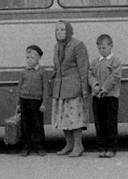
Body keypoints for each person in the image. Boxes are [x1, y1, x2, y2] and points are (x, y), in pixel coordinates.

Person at [49, 20, 90, 157]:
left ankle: (78, 146)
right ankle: (69, 144)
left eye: (62, 30)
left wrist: (84, 89)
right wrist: (52, 84)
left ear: (69, 31)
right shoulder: (57, 47)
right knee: (63, 118)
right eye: (57, 30)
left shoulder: (78, 45)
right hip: (60, 88)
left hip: (74, 88)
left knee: (74, 119)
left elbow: (83, 68)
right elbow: (56, 68)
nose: (59, 32)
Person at [88, 34, 122, 158]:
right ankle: (101, 147)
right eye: (99, 48)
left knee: (110, 123)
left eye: (104, 48)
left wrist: (105, 88)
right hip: (97, 97)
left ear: (111, 46)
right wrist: (95, 85)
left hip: (111, 97)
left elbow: (115, 76)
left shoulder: (115, 61)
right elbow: (90, 74)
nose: (102, 51)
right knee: (99, 123)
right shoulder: (95, 62)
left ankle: (111, 148)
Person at [15, 45, 49, 157]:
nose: (29, 60)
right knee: (25, 125)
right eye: (27, 57)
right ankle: (26, 147)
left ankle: (39, 146)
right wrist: (18, 103)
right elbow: (19, 88)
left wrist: (44, 103)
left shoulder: (42, 72)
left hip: (36, 102)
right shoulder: (24, 72)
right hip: (24, 101)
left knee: (38, 125)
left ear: (38, 58)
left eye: (32, 57)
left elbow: (45, 88)